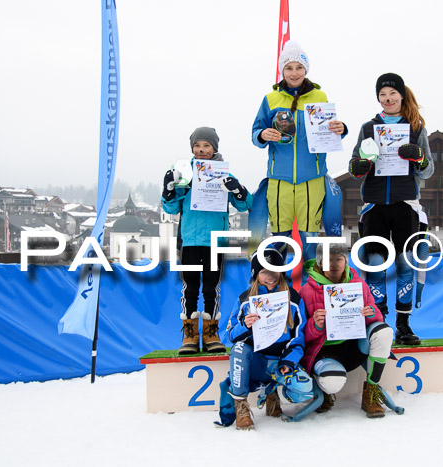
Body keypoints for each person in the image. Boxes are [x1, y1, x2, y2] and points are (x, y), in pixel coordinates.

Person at [348, 73, 434, 345]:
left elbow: (429, 170)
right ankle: (378, 321)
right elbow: (354, 166)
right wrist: (359, 166)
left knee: (405, 263)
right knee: (375, 264)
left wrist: (418, 157)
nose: (387, 99)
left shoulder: (416, 127)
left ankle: (404, 324)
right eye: (382, 95)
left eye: (392, 94)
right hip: (374, 205)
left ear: (402, 96)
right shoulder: (368, 128)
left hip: (406, 203)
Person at [251, 40, 347, 266]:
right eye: (289, 68)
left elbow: (329, 131)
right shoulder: (270, 99)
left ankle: (310, 291)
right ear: (282, 70)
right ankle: (278, 290)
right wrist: (263, 134)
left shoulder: (319, 97)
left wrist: (341, 129)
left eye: (299, 67)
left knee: (310, 241)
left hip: (311, 180)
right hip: (279, 180)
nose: (294, 73)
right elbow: (255, 132)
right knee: (280, 240)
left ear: (306, 70)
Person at [161, 127, 253, 354]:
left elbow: (244, 204)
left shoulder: (224, 174)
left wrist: (237, 189)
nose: (201, 150)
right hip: (190, 240)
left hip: (215, 241)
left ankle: (211, 333)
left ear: (215, 149)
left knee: (211, 287)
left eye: (206, 146)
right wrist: (169, 189)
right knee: (190, 287)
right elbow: (171, 207)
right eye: (197, 146)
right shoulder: (184, 172)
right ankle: (190, 336)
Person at [300, 243, 394, 418]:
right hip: (325, 351)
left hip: (354, 347)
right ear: (320, 263)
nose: (334, 264)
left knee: (384, 332)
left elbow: (377, 318)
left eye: (339, 259)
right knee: (332, 382)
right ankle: (324, 390)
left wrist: (371, 312)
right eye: (329, 260)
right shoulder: (306, 291)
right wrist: (315, 325)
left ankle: (371, 391)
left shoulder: (359, 285)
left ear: (346, 262)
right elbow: (300, 335)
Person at [223, 248, 313, 430]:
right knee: (240, 348)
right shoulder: (245, 299)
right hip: (255, 360)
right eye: (264, 271)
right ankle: (240, 404)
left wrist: (289, 361)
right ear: (256, 274)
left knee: (305, 390)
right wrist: (244, 326)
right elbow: (228, 337)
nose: (270, 276)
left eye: (274, 270)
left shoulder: (294, 299)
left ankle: (272, 390)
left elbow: (298, 338)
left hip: (278, 362)